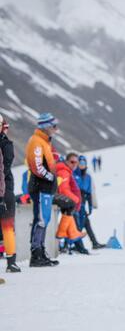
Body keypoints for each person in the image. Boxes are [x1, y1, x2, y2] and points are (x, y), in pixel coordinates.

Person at [26, 113, 60, 267]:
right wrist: (50, 177)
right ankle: (36, 254)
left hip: (45, 188)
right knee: (40, 219)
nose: (56, 129)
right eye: (53, 126)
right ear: (45, 127)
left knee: (44, 219)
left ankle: (40, 251)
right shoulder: (37, 142)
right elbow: (36, 166)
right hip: (40, 187)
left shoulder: (44, 141)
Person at [54, 153, 89, 254]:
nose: (75, 164)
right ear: (66, 161)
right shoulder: (64, 171)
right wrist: (76, 199)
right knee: (71, 210)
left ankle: (73, 235)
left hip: (69, 202)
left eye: (76, 163)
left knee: (74, 219)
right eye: (72, 162)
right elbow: (63, 189)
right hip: (67, 201)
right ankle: (66, 235)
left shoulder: (67, 171)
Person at [0, 115, 21, 272]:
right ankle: (11, 261)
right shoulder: (6, 144)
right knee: (7, 226)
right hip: (5, 188)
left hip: (5, 188)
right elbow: (5, 168)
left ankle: (11, 260)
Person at [74, 155, 105, 249]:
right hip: (75, 203)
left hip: (83, 203)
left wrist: (90, 206)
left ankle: (94, 242)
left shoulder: (88, 177)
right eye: (80, 163)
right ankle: (75, 244)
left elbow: (90, 192)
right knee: (79, 224)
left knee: (86, 223)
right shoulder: (74, 174)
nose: (82, 165)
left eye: (84, 163)